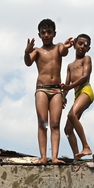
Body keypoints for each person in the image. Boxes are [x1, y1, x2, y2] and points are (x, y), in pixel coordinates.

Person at [24, 19, 73, 165]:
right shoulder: (37, 51)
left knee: (55, 123)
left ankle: (55, 157)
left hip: (56, 90)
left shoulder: (58, 46)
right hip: (42, 89)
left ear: (54, 33)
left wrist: (66, 46)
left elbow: (64, 52)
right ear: (39, 35)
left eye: (49, 32)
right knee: (42, 122)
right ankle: (43, 157)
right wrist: (27, 51)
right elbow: (27, 62)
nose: (46, 35)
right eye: (43, 32)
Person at [63, 34, 94, 159]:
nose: (82, 47)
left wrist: (69, 87)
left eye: (85, 45)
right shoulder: (70, 66)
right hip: (77, 95)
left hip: (86, 91)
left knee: (71, 115)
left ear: (88, 49)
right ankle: (77, 157)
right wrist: (63, 96)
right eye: (80, 43)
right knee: (68, 129)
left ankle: (86, 146)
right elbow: (66, 84)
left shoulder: (86, 59)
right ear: (75, 44)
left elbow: (85, 77)